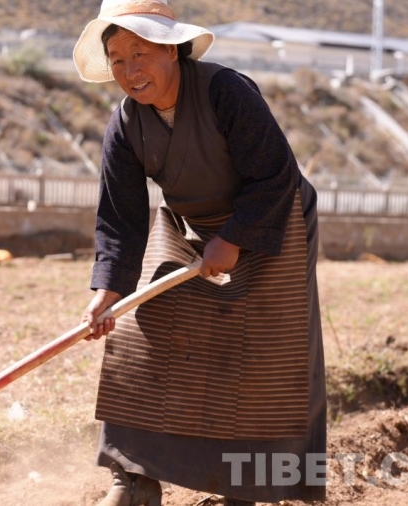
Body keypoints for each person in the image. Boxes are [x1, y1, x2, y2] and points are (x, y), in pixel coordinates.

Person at [73, 1, 326, 505]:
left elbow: (275, 174)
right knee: (144, 333)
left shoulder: (225, 91)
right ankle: (133, 477)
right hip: (193, 228)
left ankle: (246, 487)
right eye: (118, 59)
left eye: (140, 53)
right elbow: (120, 219)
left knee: (264, 355)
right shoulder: (125, 124)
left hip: (272, 220)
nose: (129, 71)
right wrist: (108, 289)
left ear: (171, 50)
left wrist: (234, 238)